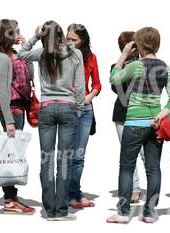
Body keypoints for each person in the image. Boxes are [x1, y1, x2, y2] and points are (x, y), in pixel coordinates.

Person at [106, 27, 170, 224]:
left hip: (134, 123)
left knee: (127, 167)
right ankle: (149, 212)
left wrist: (123, 55)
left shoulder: (136, 66)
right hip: (155, 123)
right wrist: (160, 115)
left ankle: (123, 213)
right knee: (153, 168)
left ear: (138, 45)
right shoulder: (166, 69)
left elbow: (114, 78)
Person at [18, 20, 85, 221]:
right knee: (64, 160)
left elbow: (21, 54)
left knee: (46, 160)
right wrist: (79, 108)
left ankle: (49, 209)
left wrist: (35, 36)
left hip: (46, 109)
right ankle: (61, 210)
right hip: (68, 108)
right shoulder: (75, 52)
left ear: (44, 36)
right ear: (61, 34)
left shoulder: (41, 52)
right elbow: (80, 86)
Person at [0, 19, 35, 215]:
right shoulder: (0, 58)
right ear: (6, 34)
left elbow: (30, 75)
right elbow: (2, 91)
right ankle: (9, 200)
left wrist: (25, 51)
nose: (18, 34)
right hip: (10, 109)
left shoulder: (15, 55)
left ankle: (12, 196)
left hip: (21, 108)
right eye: (15, 31)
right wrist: (8, 120)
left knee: (15, 153)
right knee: (11, 154)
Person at [66, 23, 102, 208]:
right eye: (68, 38)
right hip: (66, 108)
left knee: (78, 155)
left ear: (83, 40)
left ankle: (74, 194)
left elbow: (97, 84)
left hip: (85, 109)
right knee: (65, 153)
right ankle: (64, 192)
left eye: (74, 39)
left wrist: (89, 97)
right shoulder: (61, 56)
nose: (70, 42)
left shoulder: (91, 57)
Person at [111, 31, 144, 203]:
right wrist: (124, 59)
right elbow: (117, 88)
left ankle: (153, 187)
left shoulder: (146, 65)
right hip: (122, 115)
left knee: (146, 154)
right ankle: (135, 189)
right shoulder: (115, 68)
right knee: (128, 154)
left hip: (143, 114)